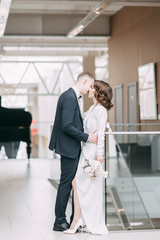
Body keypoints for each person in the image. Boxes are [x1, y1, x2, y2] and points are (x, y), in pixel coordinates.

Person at [49, 72, 98, 232]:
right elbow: (67, 125)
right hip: (69, 148)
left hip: (69, 146)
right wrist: (87, 137)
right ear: (84, 81)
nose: (91, 89)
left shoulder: (69, 95)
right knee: (66, 184)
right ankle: (60, 221)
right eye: (90, 86)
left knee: (69, 183)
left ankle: (70, 219)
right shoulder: (70, 97)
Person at [64, 80, 113, 235]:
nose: (90, 90)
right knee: (78, 183)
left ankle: (79, 219)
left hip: (92, 152)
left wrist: (100, 154)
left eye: (93, 88)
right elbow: (80, 119)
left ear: (99, 92)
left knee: (78, 182)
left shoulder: (101, 111)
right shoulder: (92, 108)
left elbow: (101, 134)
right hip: (85, 149)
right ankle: (79, 218)